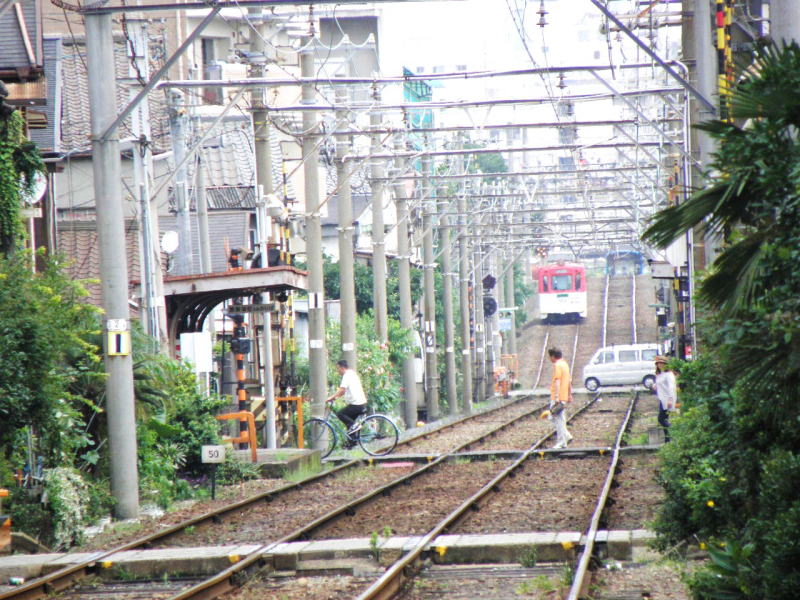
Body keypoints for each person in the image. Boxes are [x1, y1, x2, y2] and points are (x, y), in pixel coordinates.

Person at [326, 359, 368, 446]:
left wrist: (331, 397)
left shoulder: (346, 375)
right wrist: (336, 397)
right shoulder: (352, 373)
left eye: (338, 368)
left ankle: (355, 427)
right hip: (361, 403)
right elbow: (343, 392)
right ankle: (352, 443)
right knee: (349, 423)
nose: (337, 371)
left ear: (342, 367)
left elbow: (342, 390)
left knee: (341, 414)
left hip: (356, 404)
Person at [548, 347, 573, 448]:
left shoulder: (557, 365)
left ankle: (562, 441)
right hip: (564, 396)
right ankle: (566, 435)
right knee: (558, 418)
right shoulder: (565, 364)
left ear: (553, 356)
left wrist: (557, 397)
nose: (550, 359)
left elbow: (557, 381)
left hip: (557, 396)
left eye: (550, 357)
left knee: (556, 418)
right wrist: (569, 394)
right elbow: (569, 381)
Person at [654, 355, 677, 442]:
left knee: (661, 419)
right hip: (662, 399)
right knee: (663, 419)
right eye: (658, 363)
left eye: (662, 363)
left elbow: (671, 388)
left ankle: (672, 433)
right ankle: (667, 439)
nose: (660, 365)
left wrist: (671, 400)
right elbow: (659, 384)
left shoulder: (669, 374)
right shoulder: (661, 374)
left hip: (667, 399)